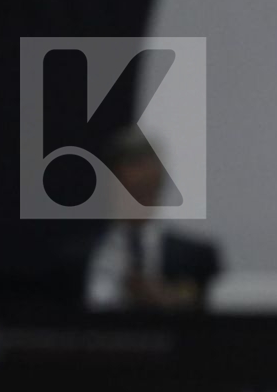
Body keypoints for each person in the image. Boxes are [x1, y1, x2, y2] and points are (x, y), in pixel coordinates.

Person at [82, 125, 223, 311]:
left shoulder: (196, 259)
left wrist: (165, 300)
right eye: (129, 188)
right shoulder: (78, 257)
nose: (138, 197)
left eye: (147, 187)